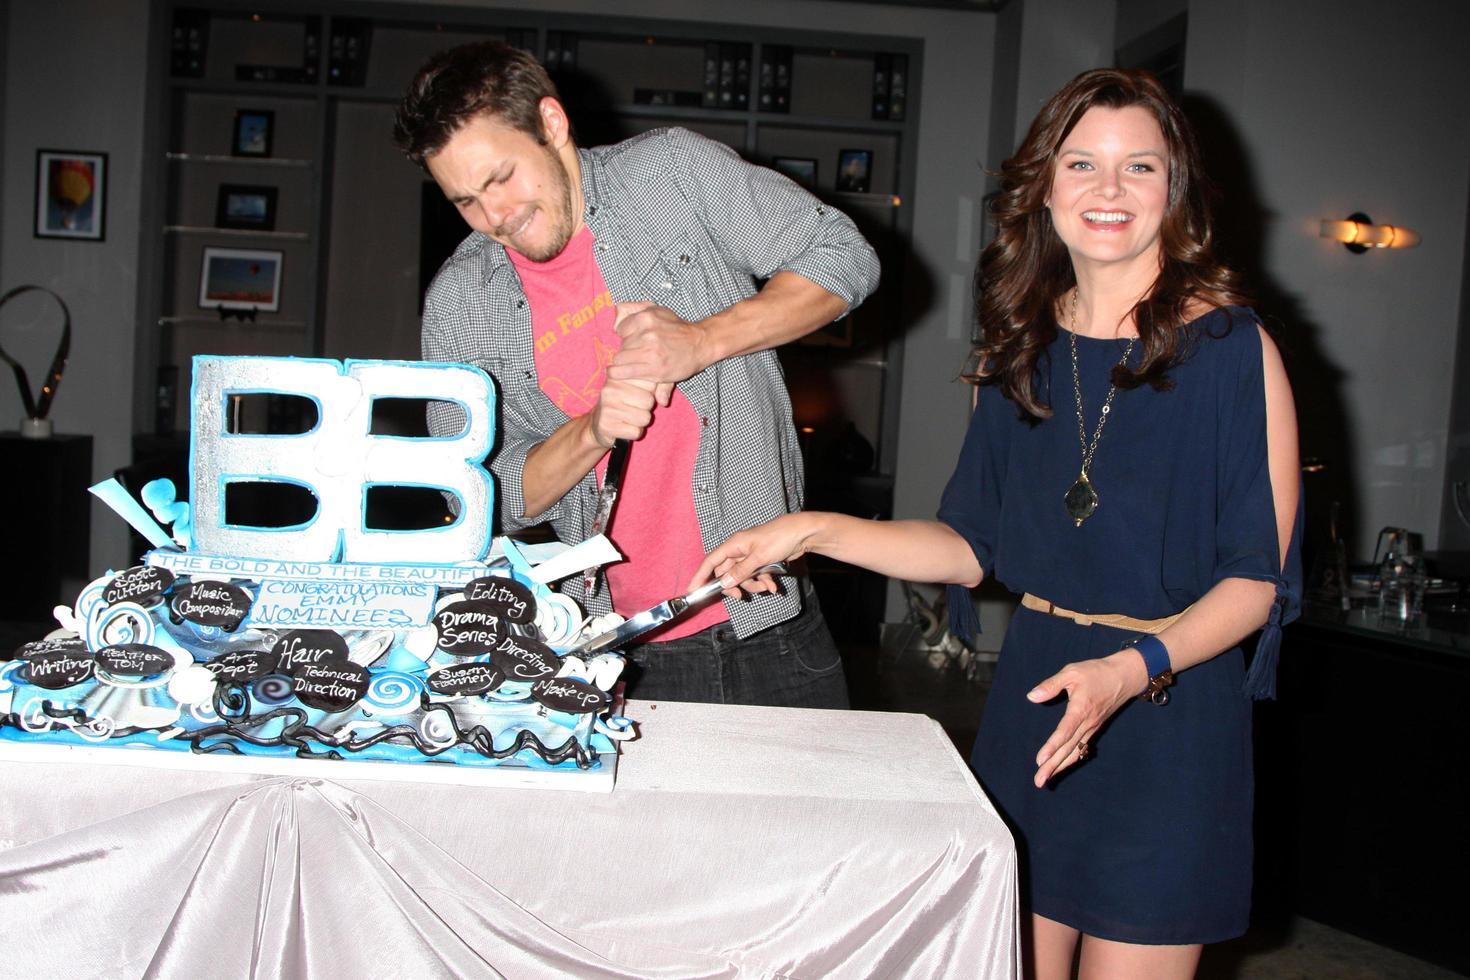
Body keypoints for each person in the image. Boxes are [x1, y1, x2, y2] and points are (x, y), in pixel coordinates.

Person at [695, 68, 1302, 978]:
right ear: (1044, 189)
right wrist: (809, 529)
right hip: (1040, 708)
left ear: (1173, 191)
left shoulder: (1230, 349)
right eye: (1082, 164)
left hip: (1169, 714)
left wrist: (1127, 672)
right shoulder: (1023, 349)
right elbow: (969, 547)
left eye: (1139, 167)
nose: (1108, 190)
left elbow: (1259, 581)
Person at [392, 41, 879, 707]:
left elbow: (844, 256)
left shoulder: (670, 173)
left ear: (552, 124)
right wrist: (591, 430)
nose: (496, 217)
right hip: (608, 651)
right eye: (466, 200)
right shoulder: (458, 302)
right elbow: (477, 498)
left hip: (771, 624)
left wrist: (700, 342)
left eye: (502, 177)